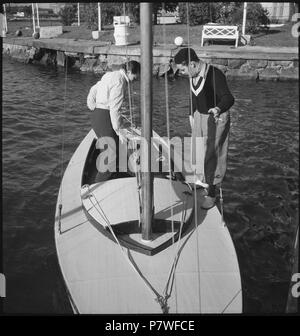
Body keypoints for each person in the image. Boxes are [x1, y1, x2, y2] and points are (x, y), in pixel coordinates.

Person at [174, 48, 234, 210]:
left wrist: (218, 109)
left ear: (192, 64)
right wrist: (190, 114)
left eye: (183, 69)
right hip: (200, 116)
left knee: (212, 155)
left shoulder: (214, 75)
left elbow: (229, 98)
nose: (182, 72)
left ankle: (212, 193)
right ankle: (203, 180)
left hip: (215, 116)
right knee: (198, 150)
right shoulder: (194, 74)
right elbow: (194, 95)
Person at [87, 60, 140, 176]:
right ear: (129, 72)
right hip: (105, 116)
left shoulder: (109, 75)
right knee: (109, 155)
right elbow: (114, 108)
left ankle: (121, 173)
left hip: (97, 115)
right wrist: (119, 130)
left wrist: (92, 106)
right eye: (135, 78)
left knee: (114, 147)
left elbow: (93, 90)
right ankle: (98, 186)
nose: (135, 80)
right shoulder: (120, 82)